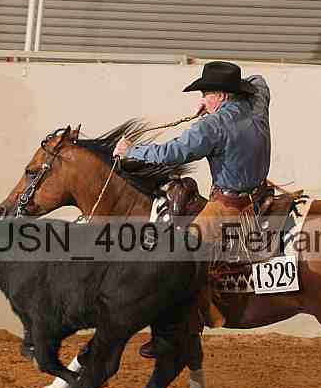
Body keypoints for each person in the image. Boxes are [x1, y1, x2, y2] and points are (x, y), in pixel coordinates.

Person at [113, 61, 271, 355]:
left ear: (221, 95)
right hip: (260, 196)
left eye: (206, 94)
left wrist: (130, 150)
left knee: (180, 257)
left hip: (229, 206)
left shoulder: (212, 126)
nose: (202, 99)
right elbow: (259, 80)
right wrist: (227, 95)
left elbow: (171, 153)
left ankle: (180, 329)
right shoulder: (257, 104)